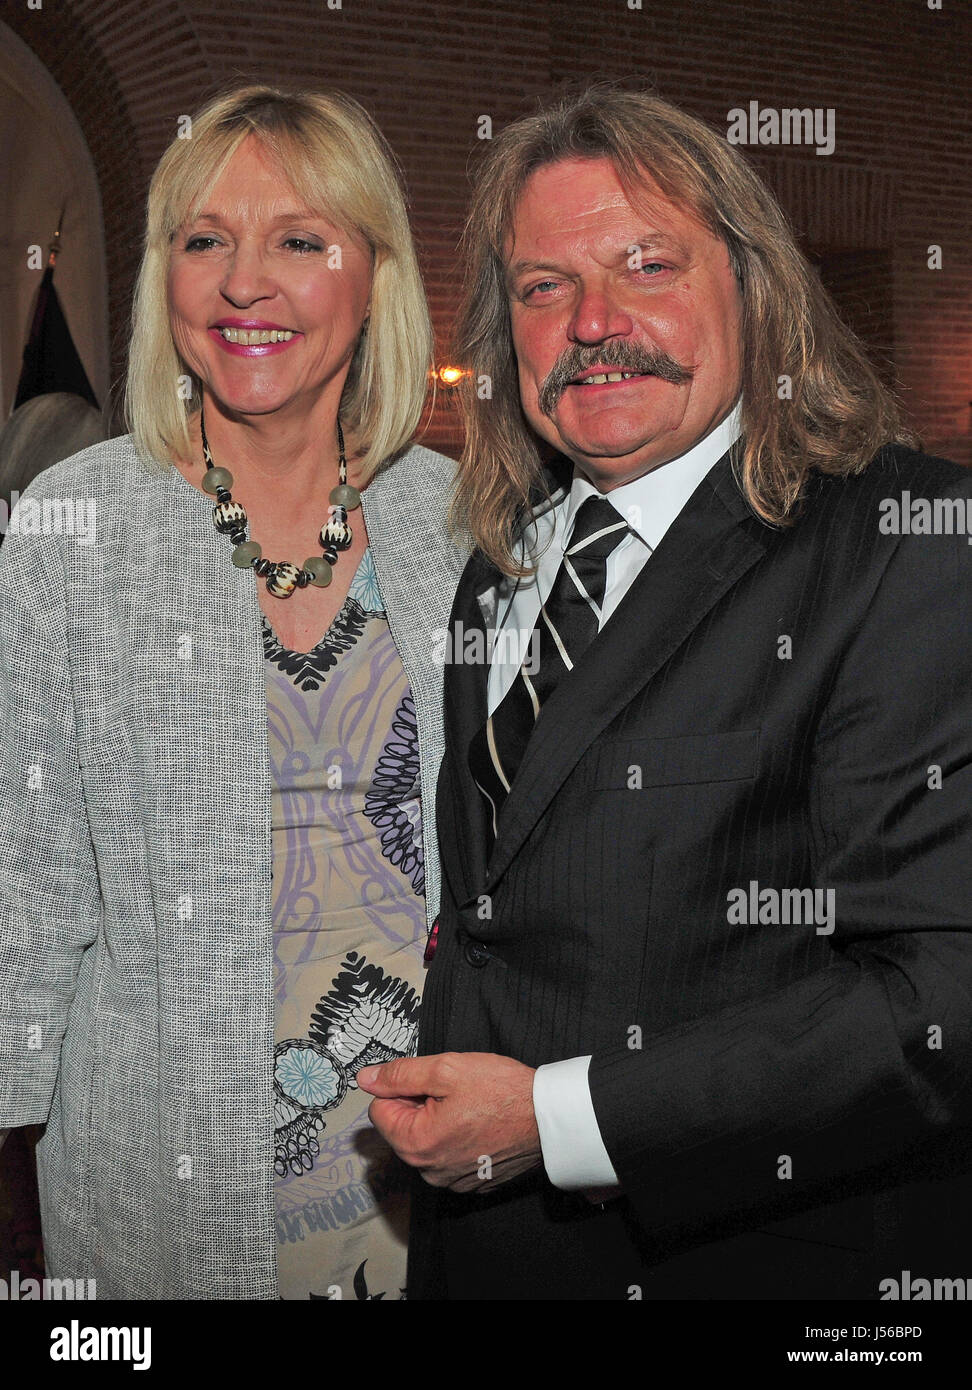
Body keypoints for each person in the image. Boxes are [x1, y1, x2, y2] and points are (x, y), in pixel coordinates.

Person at [359, 85, 972, 1300]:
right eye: (543, 287)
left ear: (752, 287)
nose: (595, 320)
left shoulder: (904, 544)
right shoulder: (508, 561)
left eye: (648, 263)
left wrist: (558, 1116)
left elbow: (936, 1005)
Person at [0, 85, 467, 1299]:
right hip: (160, 1172)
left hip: (437, 1158)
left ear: (375, 276)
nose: (242, 283)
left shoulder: (463, 521)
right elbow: (26, 880)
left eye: (300, 240)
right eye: (204, 239)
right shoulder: (75, 524)